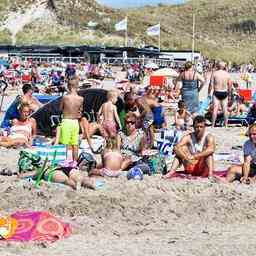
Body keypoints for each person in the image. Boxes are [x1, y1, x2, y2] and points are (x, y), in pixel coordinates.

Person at [59, 79, 83, 161]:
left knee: (65, 143)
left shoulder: (65, 97)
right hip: (75, 122)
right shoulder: (80, 99)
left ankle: (65, 161)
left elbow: (60, 108)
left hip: (66, 121)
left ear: (69, 87)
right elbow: (80, 111)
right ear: (77, 86)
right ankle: (75, 163)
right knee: (75, 144)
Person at [208, 61, 232, 127]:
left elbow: (211, 84)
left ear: (218, 66)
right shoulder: (227, 74)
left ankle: (213, 125)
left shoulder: (215, 73)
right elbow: (230, 85)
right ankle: (226, 125)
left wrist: (209, 92)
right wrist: (229, 95)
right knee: (225, 109)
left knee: (215, 108)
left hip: (216, 92)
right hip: (224, 92)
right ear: (224, 66)